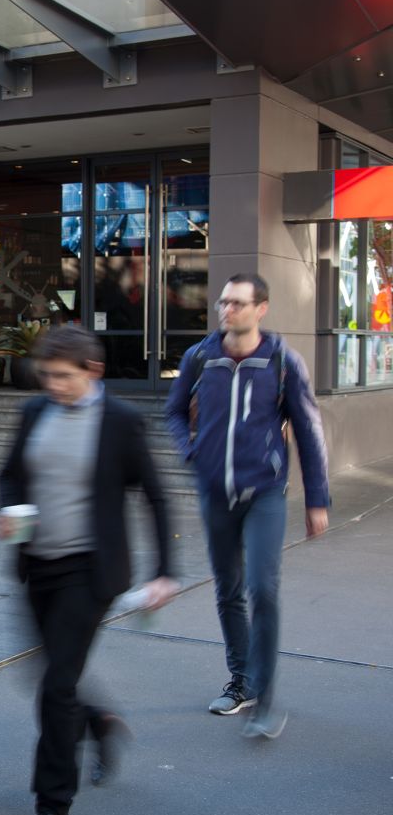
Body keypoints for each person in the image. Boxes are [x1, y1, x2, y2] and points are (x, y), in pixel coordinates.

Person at [0, 325, 177, 815]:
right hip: (37, 565)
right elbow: (9, 474)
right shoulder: (34, 411)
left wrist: (165, 571)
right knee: (49, 673)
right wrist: (8, 510)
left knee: (57, 685)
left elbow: (156, 495)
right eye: (46, 376)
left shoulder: (120, 421)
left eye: (62, 376)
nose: (52, 385)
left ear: (92, 371)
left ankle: (52, 802)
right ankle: (99, 721)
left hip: (90, 570)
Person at [164, 272, 329, 739]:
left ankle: (265, 700)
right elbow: (174, 411)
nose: (226, 310)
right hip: (215, 492)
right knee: (228, 590)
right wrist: (190, 451)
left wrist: (316, 498)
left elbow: (309, 431)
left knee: (263, 588)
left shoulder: (281, 361)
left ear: (261, 308)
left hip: (265, 493)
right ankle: (242, 682)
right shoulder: (201, 357)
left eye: (237, 303)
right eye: (222, 303)